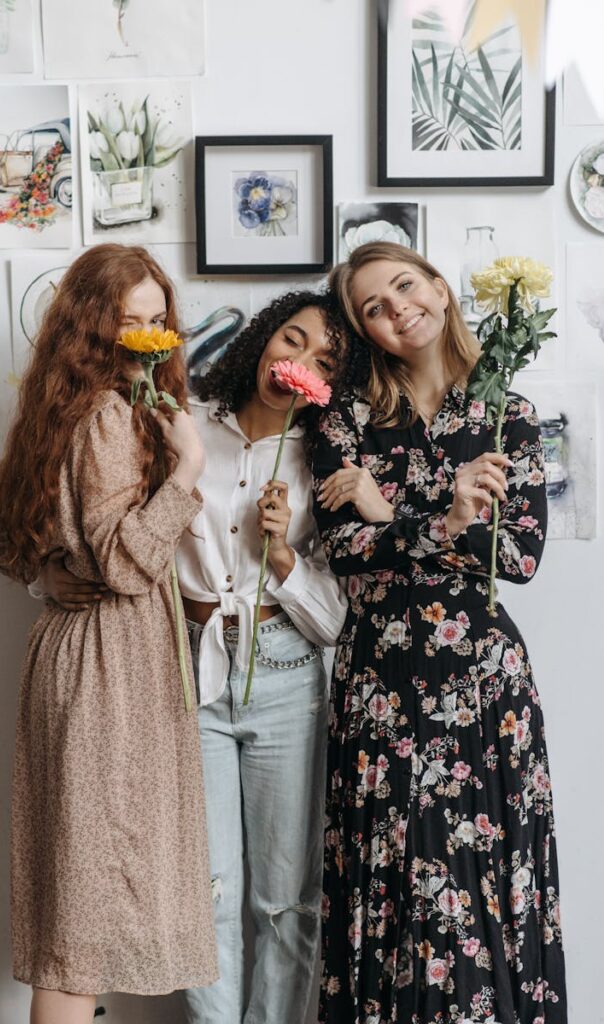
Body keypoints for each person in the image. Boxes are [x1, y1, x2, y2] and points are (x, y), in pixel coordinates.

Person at [41, 290, 351, 1024]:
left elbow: (336, 621)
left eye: (322, 360)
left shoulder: (327, 460)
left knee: (284, 900)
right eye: (291, 339)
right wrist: (51, 579)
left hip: (286, 673)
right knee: (202, 890)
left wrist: (282, 559)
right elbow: (112, 535)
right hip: (185, 666)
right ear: (262, 340)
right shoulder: (180, 429)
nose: (297, 363)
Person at [0, 244, 218, 1024]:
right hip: (107, 665)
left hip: (93, 658)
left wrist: (44, 575)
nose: (144, 337)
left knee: (84, 904)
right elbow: (129, 564)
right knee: (83, 927)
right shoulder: (106, 415)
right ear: (89, 329)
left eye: (156, 320)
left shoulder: (74, 410)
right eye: (123, 322)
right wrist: (186, 473)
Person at [312, 242, 567, 1024]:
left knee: (484, 881)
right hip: (380, 687)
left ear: (440, 288)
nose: (397, 311)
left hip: (483, 689)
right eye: (373, 310)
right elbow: (342, 553)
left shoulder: (508, 416)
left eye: (404, 287)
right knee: (386, 883)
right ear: (365, 332)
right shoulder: (343, 419)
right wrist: (448, 521)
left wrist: (394, 516)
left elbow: (519, 555)